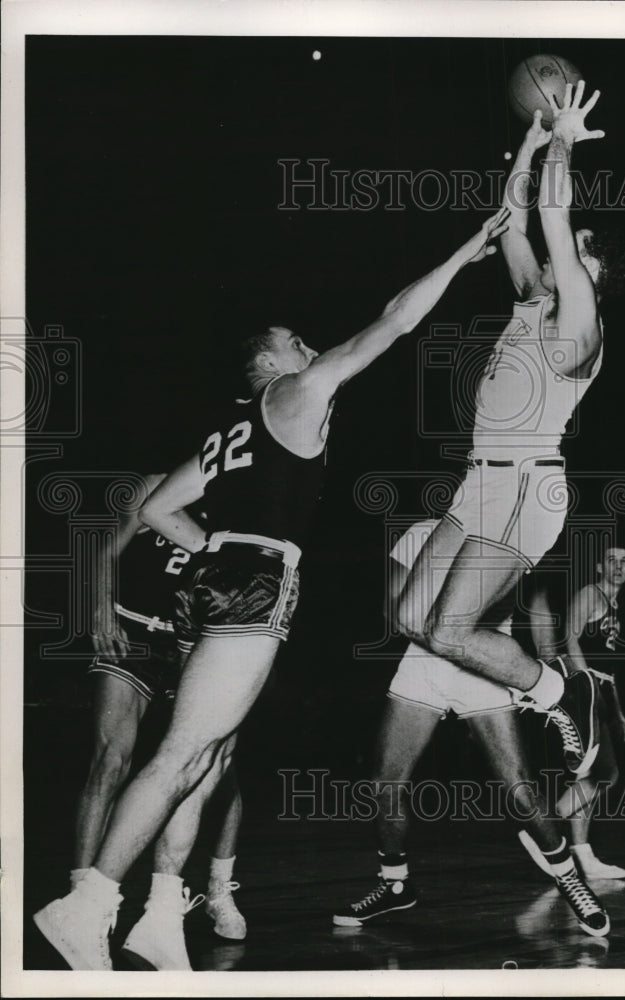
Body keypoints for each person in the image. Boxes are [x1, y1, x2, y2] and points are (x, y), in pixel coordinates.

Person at [34, 207, 510, 970]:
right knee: (184, 752)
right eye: (297, 343)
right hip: (249, 585)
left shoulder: (230, 433)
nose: (312, 348)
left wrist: (216, 549)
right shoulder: (294, 394)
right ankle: (86, 900)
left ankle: (160, 914)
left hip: (221, 582)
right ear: (270, 363)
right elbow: (391, 324)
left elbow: (157, 508)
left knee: (212, 755)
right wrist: (463, 257)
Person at [396, 82, 625, 777]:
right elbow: (514, 221)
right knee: (413, 621)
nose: (567, 247)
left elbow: (556, 213)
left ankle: (567, 693)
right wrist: (530, 148)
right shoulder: (536, 298)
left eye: (578, 248)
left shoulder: (579, 321)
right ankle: (558, 691)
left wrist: (563, 133)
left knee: (449, 629)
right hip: (477, 484)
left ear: (592, 271)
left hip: (524, 491)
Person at [332, 518, 610, 937]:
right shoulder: (423, 532)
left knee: (519, 788)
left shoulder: (510, 533)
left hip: (483, 669)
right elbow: (393, 605)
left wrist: (544, 672)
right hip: (424, 664)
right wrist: (449, 643)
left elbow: (537, 612)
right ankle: (395, 882)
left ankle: (569, 877)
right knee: (385, 783)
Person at [75, 473, 247, 957]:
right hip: (132, 632)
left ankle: (217, 889)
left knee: (219, 768)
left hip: (195, 644)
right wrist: (99, 612)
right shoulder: (155, 482)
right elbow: (106, 551)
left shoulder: (248, 492)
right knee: (110, 759)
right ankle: (82, 900)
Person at [555, 546, 625, 879]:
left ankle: (583, 856)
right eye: (612, 561)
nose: (619, 566)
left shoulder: (614, 606)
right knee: (607, 775)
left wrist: (616, 711)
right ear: (600, 567)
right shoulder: (591, 593)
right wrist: (585, 687)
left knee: (588, 776)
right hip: (582, 689)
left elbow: (609, 669)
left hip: (599, 689)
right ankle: (546, 819)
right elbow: (568, 639)